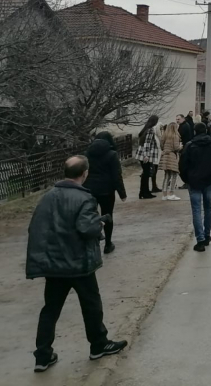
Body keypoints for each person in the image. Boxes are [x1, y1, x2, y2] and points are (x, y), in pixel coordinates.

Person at [26, 155, 127, 373]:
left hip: (54, 265)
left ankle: (42, 356)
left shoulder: (47, 197)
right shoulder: (85, 198)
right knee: (91, 305)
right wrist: (100, 221)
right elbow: (86, 228)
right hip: (80, 263)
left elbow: (35, 227)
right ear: (85, 173)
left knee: (50, 309)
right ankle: (98, 344)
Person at [179, 122, 211, 252]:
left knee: (196, 210)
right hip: (209, 180)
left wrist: (187, 179)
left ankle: (200, 240)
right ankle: (207, 235)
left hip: (194, 181)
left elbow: (182, 165)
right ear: (206, 131)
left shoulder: (190, 145)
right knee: (208, 208)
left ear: (195, 131)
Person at [83, 132, 126, 254]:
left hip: (89, 189)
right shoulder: (111, 154)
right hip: (106, 190)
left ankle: (93, 243)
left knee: (90, 216)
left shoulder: (87, 154)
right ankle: (108, 243)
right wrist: (122, 193)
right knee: (107, 215)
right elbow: (116, 175)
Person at [136, 115, 161, 199]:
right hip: (146, 155)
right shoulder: (150, 130)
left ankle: (143, 192)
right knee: (146, 174)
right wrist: (146, 155)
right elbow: (147, 143)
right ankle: (145, 192)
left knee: (145, 174)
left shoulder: (145, 129)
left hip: (141, 154)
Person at [158, 121, 183, 201]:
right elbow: (176, 148)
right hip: (172, 156)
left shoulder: (164, 135)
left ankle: (164, 194)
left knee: (167, 176)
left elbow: (161, 146)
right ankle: (171, 193)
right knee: (174, 175)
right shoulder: (175, 136)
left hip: (165, 156)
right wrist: (181, 146)